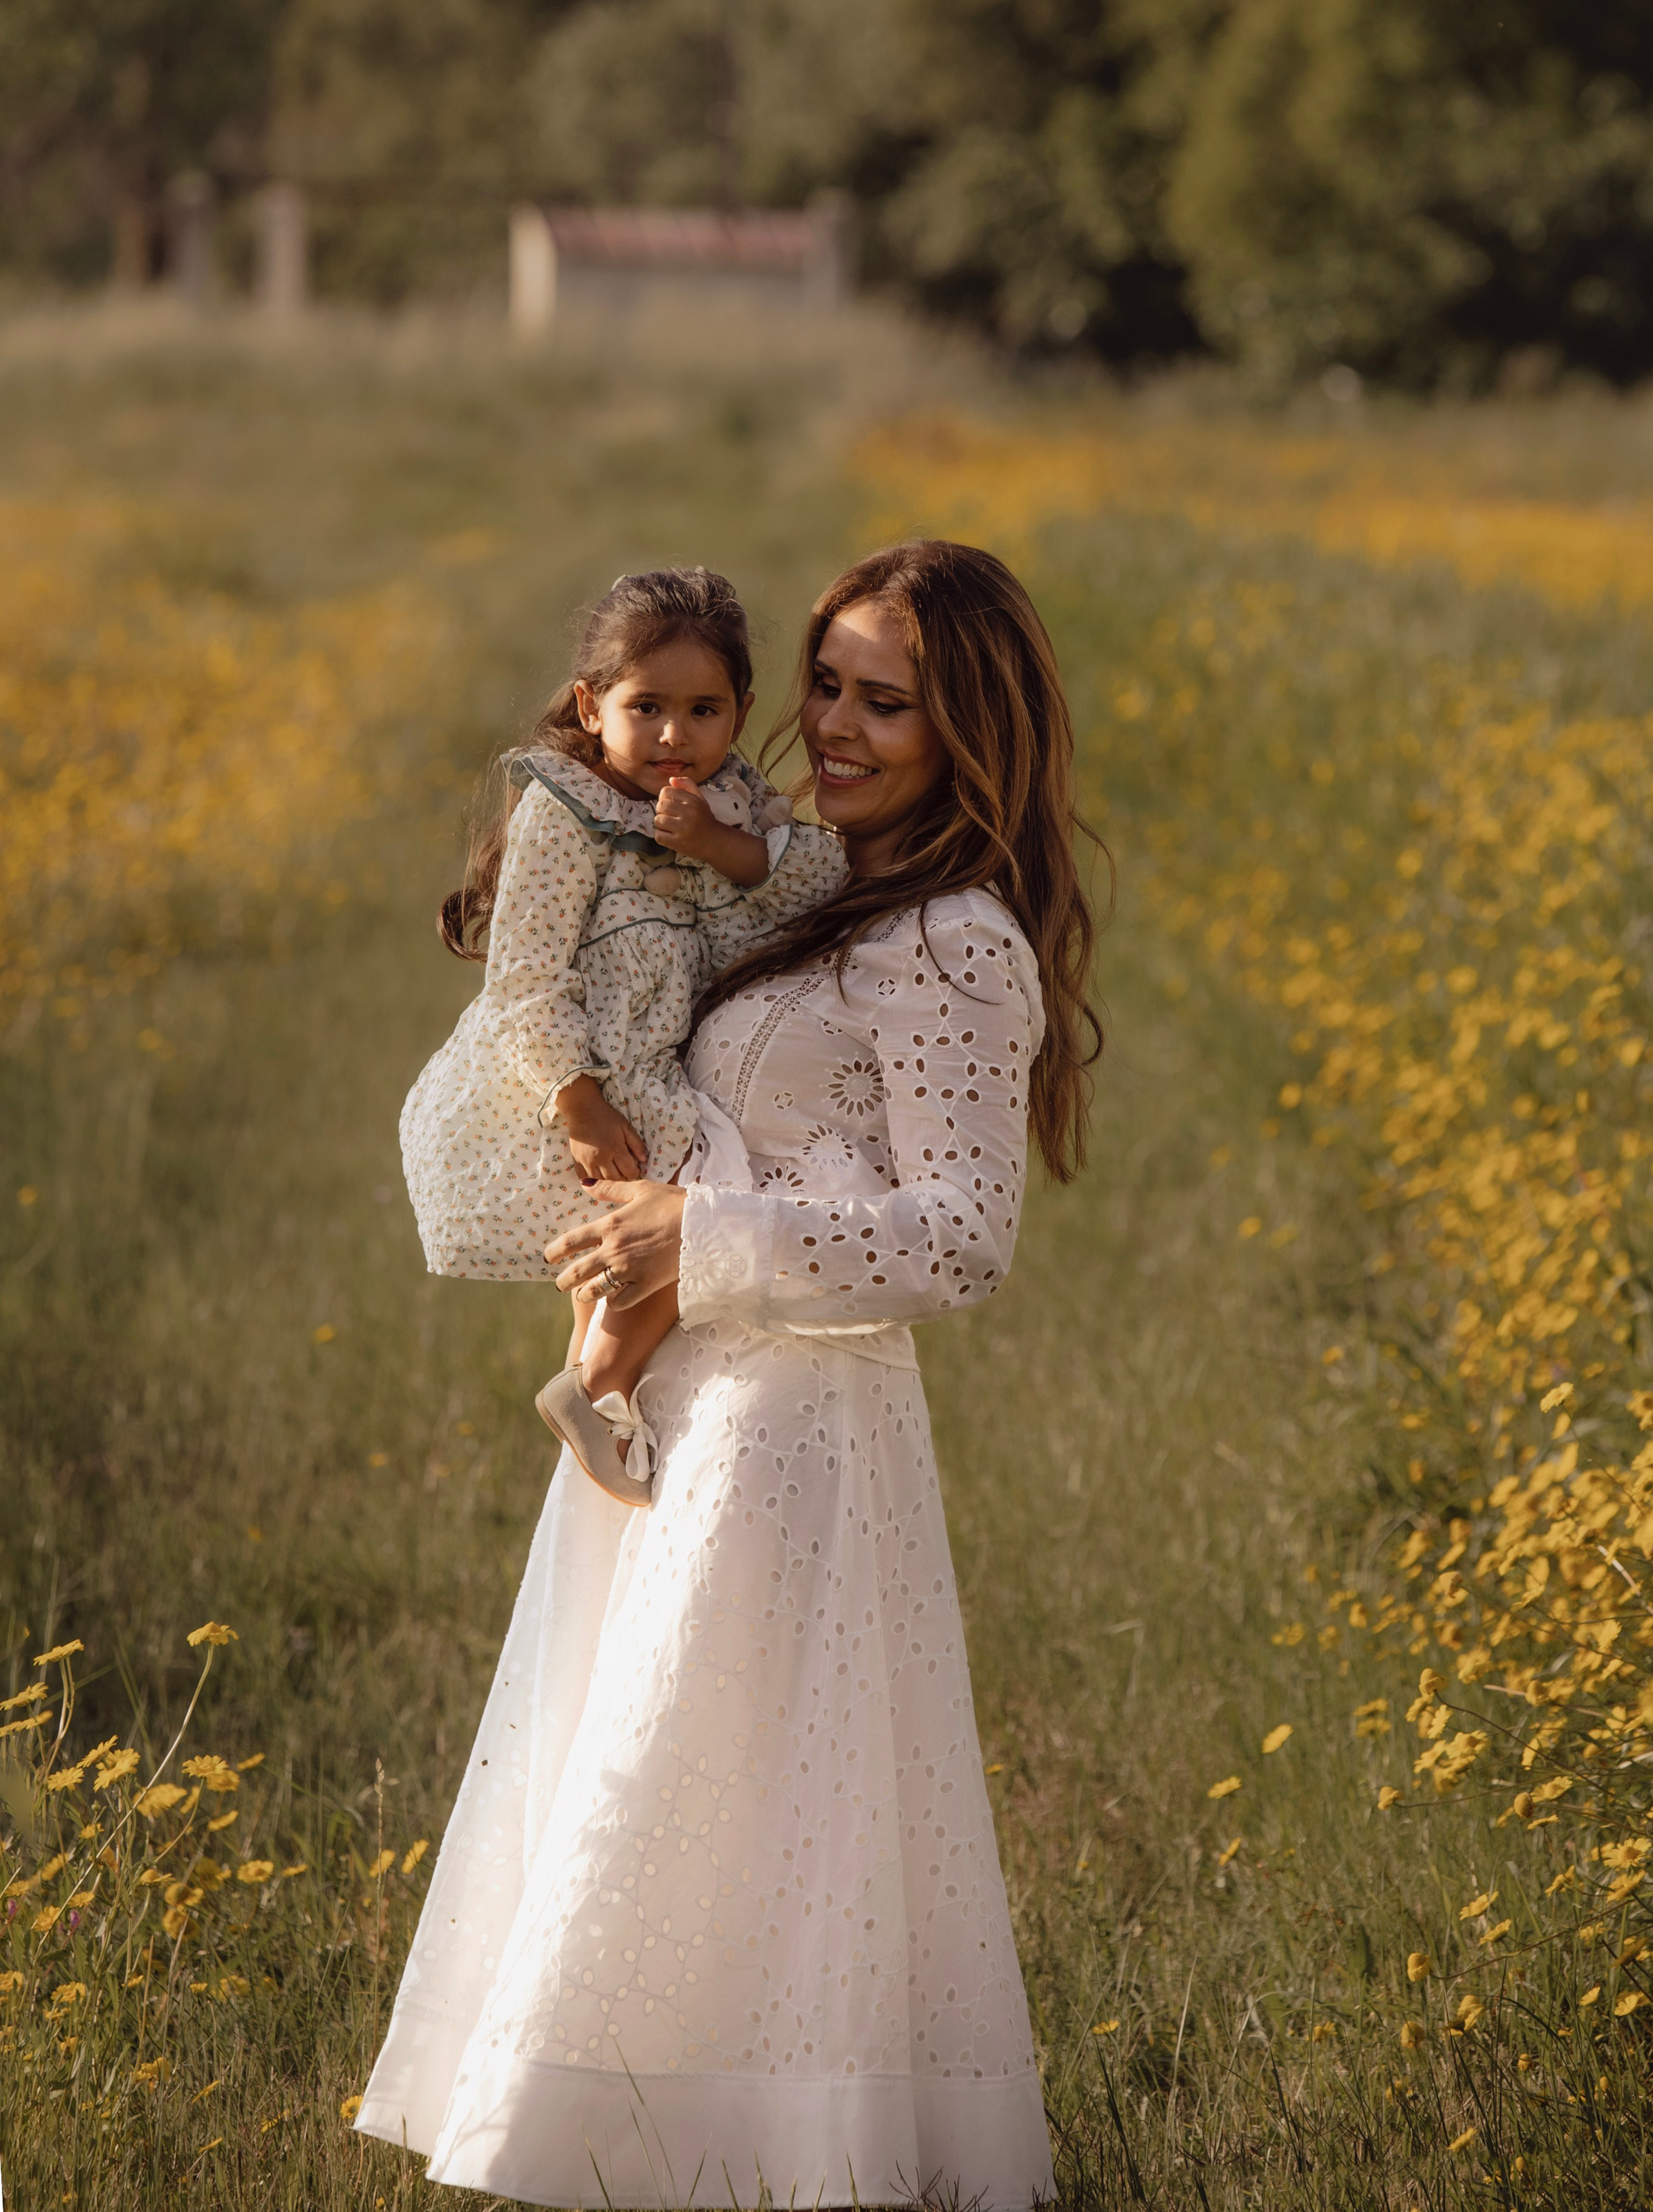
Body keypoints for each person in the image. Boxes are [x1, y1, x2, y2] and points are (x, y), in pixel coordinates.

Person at [359, 540, 1103, 2210]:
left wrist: (697, 1233)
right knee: (654, 1798)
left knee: (733, 1817)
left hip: (797, 1425)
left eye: (883, 700)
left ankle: (768, 2165)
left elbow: (963, 1240)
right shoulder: (808, 874)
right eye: (826, 682)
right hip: (691, 1407)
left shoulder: (955, 944)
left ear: (967, 725)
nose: (832, 725)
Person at [400, 567, 846, 1503]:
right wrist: (579, 1101)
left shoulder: (731, 803)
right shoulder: (570, 815)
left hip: (650, 1068)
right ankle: (596, 1386)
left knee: (635, 1254)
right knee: (705, 1209)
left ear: (741, 712)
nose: (675, 735)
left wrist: (718, 848)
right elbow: (525, 976)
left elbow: (817, 880)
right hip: (589, 1079)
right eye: (647, 707)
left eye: (703, 709)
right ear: (591, 704)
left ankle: (603, 1406)